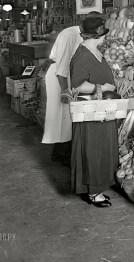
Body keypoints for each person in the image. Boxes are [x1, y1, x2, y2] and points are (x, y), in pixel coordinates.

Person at [42, 11, 102, 166]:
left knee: (68, 118)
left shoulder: (83, 35)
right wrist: (64, 89)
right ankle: (62, 155)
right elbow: (61, 64)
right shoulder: (70, 34)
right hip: (60, 76)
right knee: (62, 115)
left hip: (68, 74)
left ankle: (61, 153)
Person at [69, 16, 117, 207]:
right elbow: (77, 85)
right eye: (103, 33)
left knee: (102, 146)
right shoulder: (82, 55)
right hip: (90, 111)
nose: (105, 37)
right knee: (93, 148)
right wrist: (103, 88)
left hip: (101, 108)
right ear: (97, 35)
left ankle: (98, 186)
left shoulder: (94, 51)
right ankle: (93, 192)